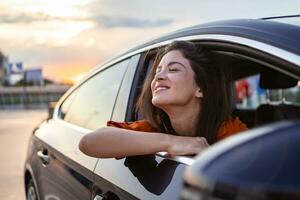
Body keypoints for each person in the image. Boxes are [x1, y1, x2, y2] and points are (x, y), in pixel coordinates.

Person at [79, 41, 247, 159]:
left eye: (173, 69)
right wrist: (171, 143)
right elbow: (88, 142)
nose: (158, 76)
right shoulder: (154, 128)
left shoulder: (229, 131)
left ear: (200, 89)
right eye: (157, 71)